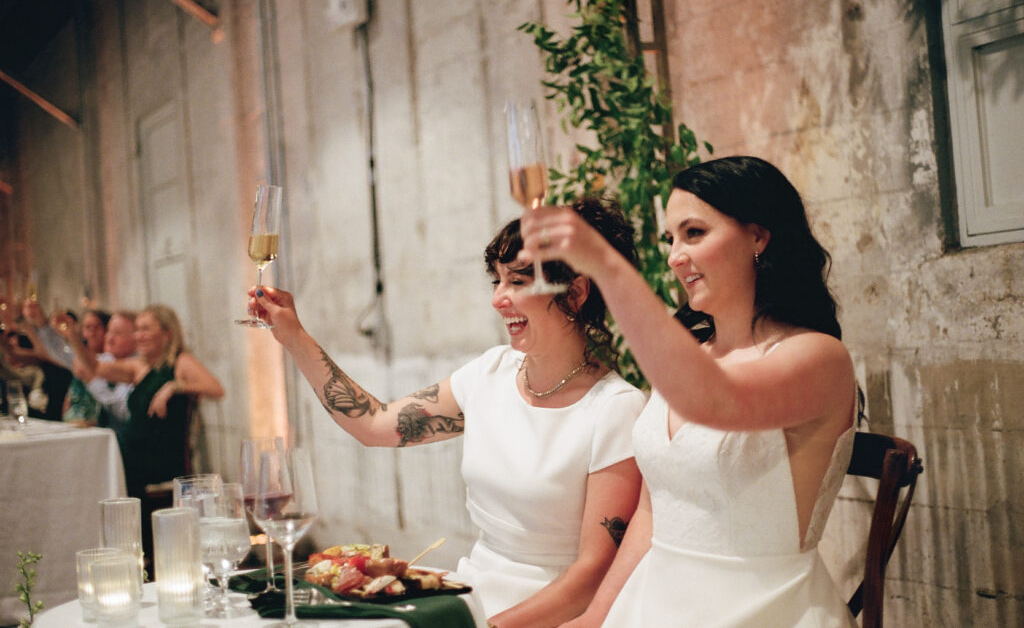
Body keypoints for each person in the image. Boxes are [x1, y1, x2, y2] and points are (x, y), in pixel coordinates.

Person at [251, 198, 647, 628]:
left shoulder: (614, 408)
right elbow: (374, 423)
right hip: (467, 597)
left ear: (575, 292)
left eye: (516, 282)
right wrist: (293, 336)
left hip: (550, 615)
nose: (498, 300)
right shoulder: (489, 373)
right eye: (496, 281)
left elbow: (592, 575)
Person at [519, 157, 858, 628]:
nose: (675, 256)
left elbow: (716, 401)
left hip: (763, 609)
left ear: (758, 236)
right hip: (652, 602)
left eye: (694, 233)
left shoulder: (819, 358)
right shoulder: (695, 354)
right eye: (670, 239)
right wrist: (596, 616)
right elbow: (654, 510)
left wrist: (605, 265)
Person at [58, 304, 225, 496]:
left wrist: (173, 386)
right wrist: (72, 337)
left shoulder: (181, 362)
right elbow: (93, 368)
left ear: (167, 333)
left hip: (158, 458)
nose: (139, 335)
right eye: (137, 329)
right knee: (89, 454)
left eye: (146, 329)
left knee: (96, 460)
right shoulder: (138, 366)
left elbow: (216, 389)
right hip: (133, 451)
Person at [62, 308, 111, 424]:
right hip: (73, 422)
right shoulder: (77, 358)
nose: (92, 332)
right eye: (88, 327)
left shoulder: (111, 359)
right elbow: (71, 396)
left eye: (97, 327)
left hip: (97, 424)